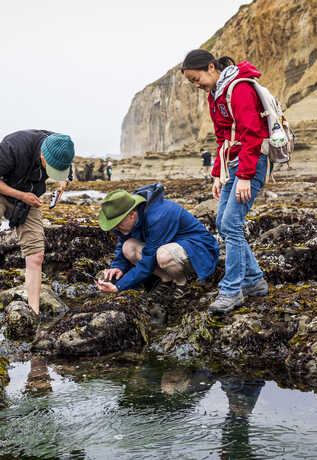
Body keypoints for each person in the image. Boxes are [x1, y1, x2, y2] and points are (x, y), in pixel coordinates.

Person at [181, 49, 269, 314]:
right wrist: (218, 175)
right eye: (191, 82)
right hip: (233, 164)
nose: (196, 85)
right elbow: (222, 138)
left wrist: (245, 176)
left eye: (196, 79)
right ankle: (255, 282)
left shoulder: (239, 88)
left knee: (230, 224)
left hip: (251, 163)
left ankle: (231, 291)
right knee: (223, 222)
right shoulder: (215, 95)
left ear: (211, 67)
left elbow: (252, 134)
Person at [0, 129, 74, 317]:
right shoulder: (14, 145)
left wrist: (62, 185)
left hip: (30, 197)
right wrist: (21, 196)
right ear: (42, 155)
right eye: (51, 168)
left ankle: (33, 313)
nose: (52, 173)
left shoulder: (63, 146)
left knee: (36, 255)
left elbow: (67, 170)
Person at [95, 183, 219, 296]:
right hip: (170, 246)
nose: (115, 228)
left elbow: (149, 259)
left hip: (199, 249)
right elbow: (123, 241)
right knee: (128, 247)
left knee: (163, 255)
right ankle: (166, 279)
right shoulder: (129, 217)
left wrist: (119, 287)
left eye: (117, 223)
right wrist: (118, 267)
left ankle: (181, 283)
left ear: (132, 215)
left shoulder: (158, 216)